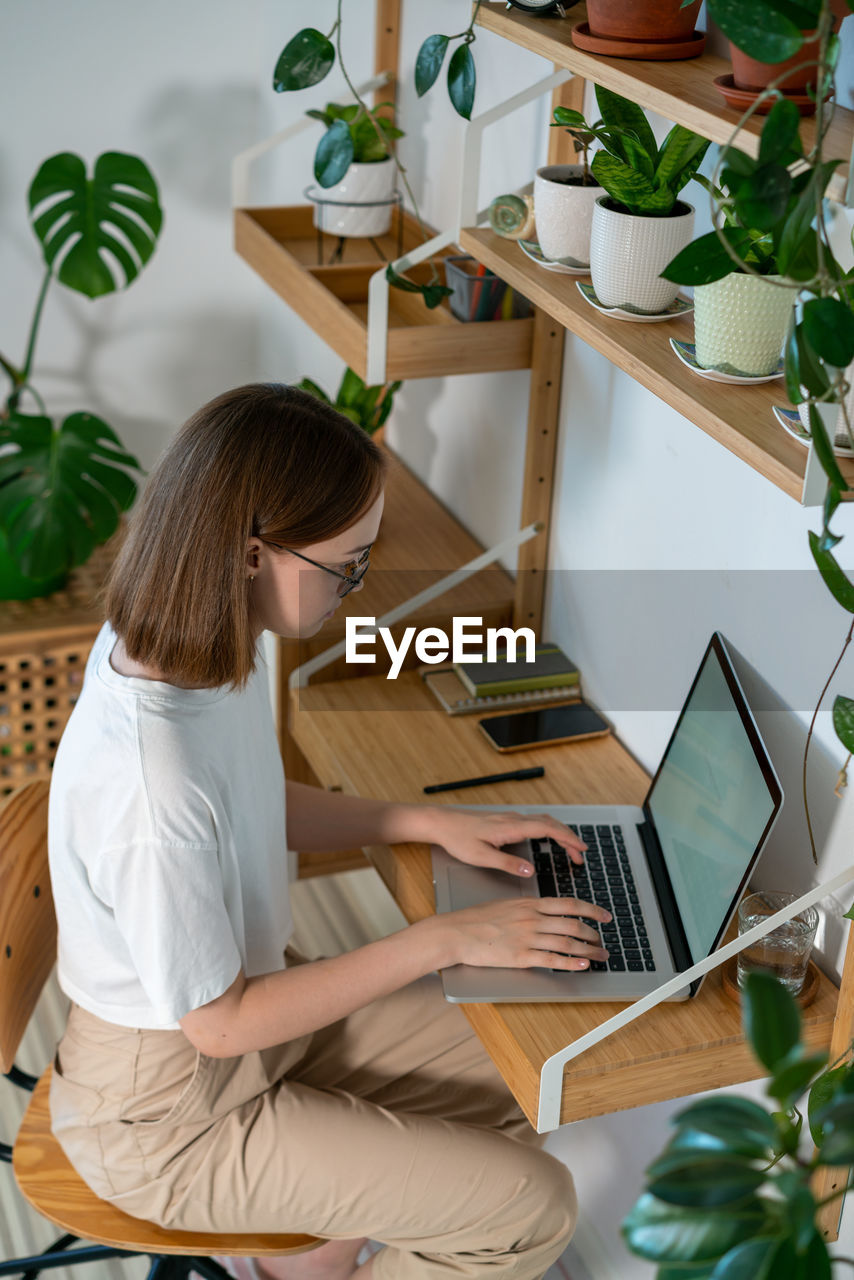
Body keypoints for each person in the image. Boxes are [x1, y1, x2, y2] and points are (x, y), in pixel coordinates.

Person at [47, 383, 611, 1280]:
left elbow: (252, 803)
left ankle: (307, 1260)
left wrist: (428, 822)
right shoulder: (149, 778)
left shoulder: (206, 646)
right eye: (346, 567)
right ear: (249, 552)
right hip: (171, 1116)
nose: (353, 591)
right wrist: (439, 937)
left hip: (258, 1031)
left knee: (527, 1051)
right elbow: (221, 1026)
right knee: (532, 1210)